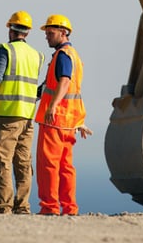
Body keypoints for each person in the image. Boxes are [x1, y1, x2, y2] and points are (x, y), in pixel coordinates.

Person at [0, 11, 44, 214]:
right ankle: (23, 206)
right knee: (23, 162)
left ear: (11, 29)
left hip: (7, 115)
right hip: (27, 117)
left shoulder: (6, 50)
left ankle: (3, 205)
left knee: (2, 160)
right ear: (27, 32)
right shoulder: (37, 55)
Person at [35, 14, 92, 216]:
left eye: (50, 33)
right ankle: (69, 208)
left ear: (63, 32)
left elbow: (65, 82)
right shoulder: (74, 55)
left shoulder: (63, 56)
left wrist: (51, 107)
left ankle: (50, 207)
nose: (47, 37)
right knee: (66, 167)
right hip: (69, 122)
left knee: (48, 165)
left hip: (54, 120)